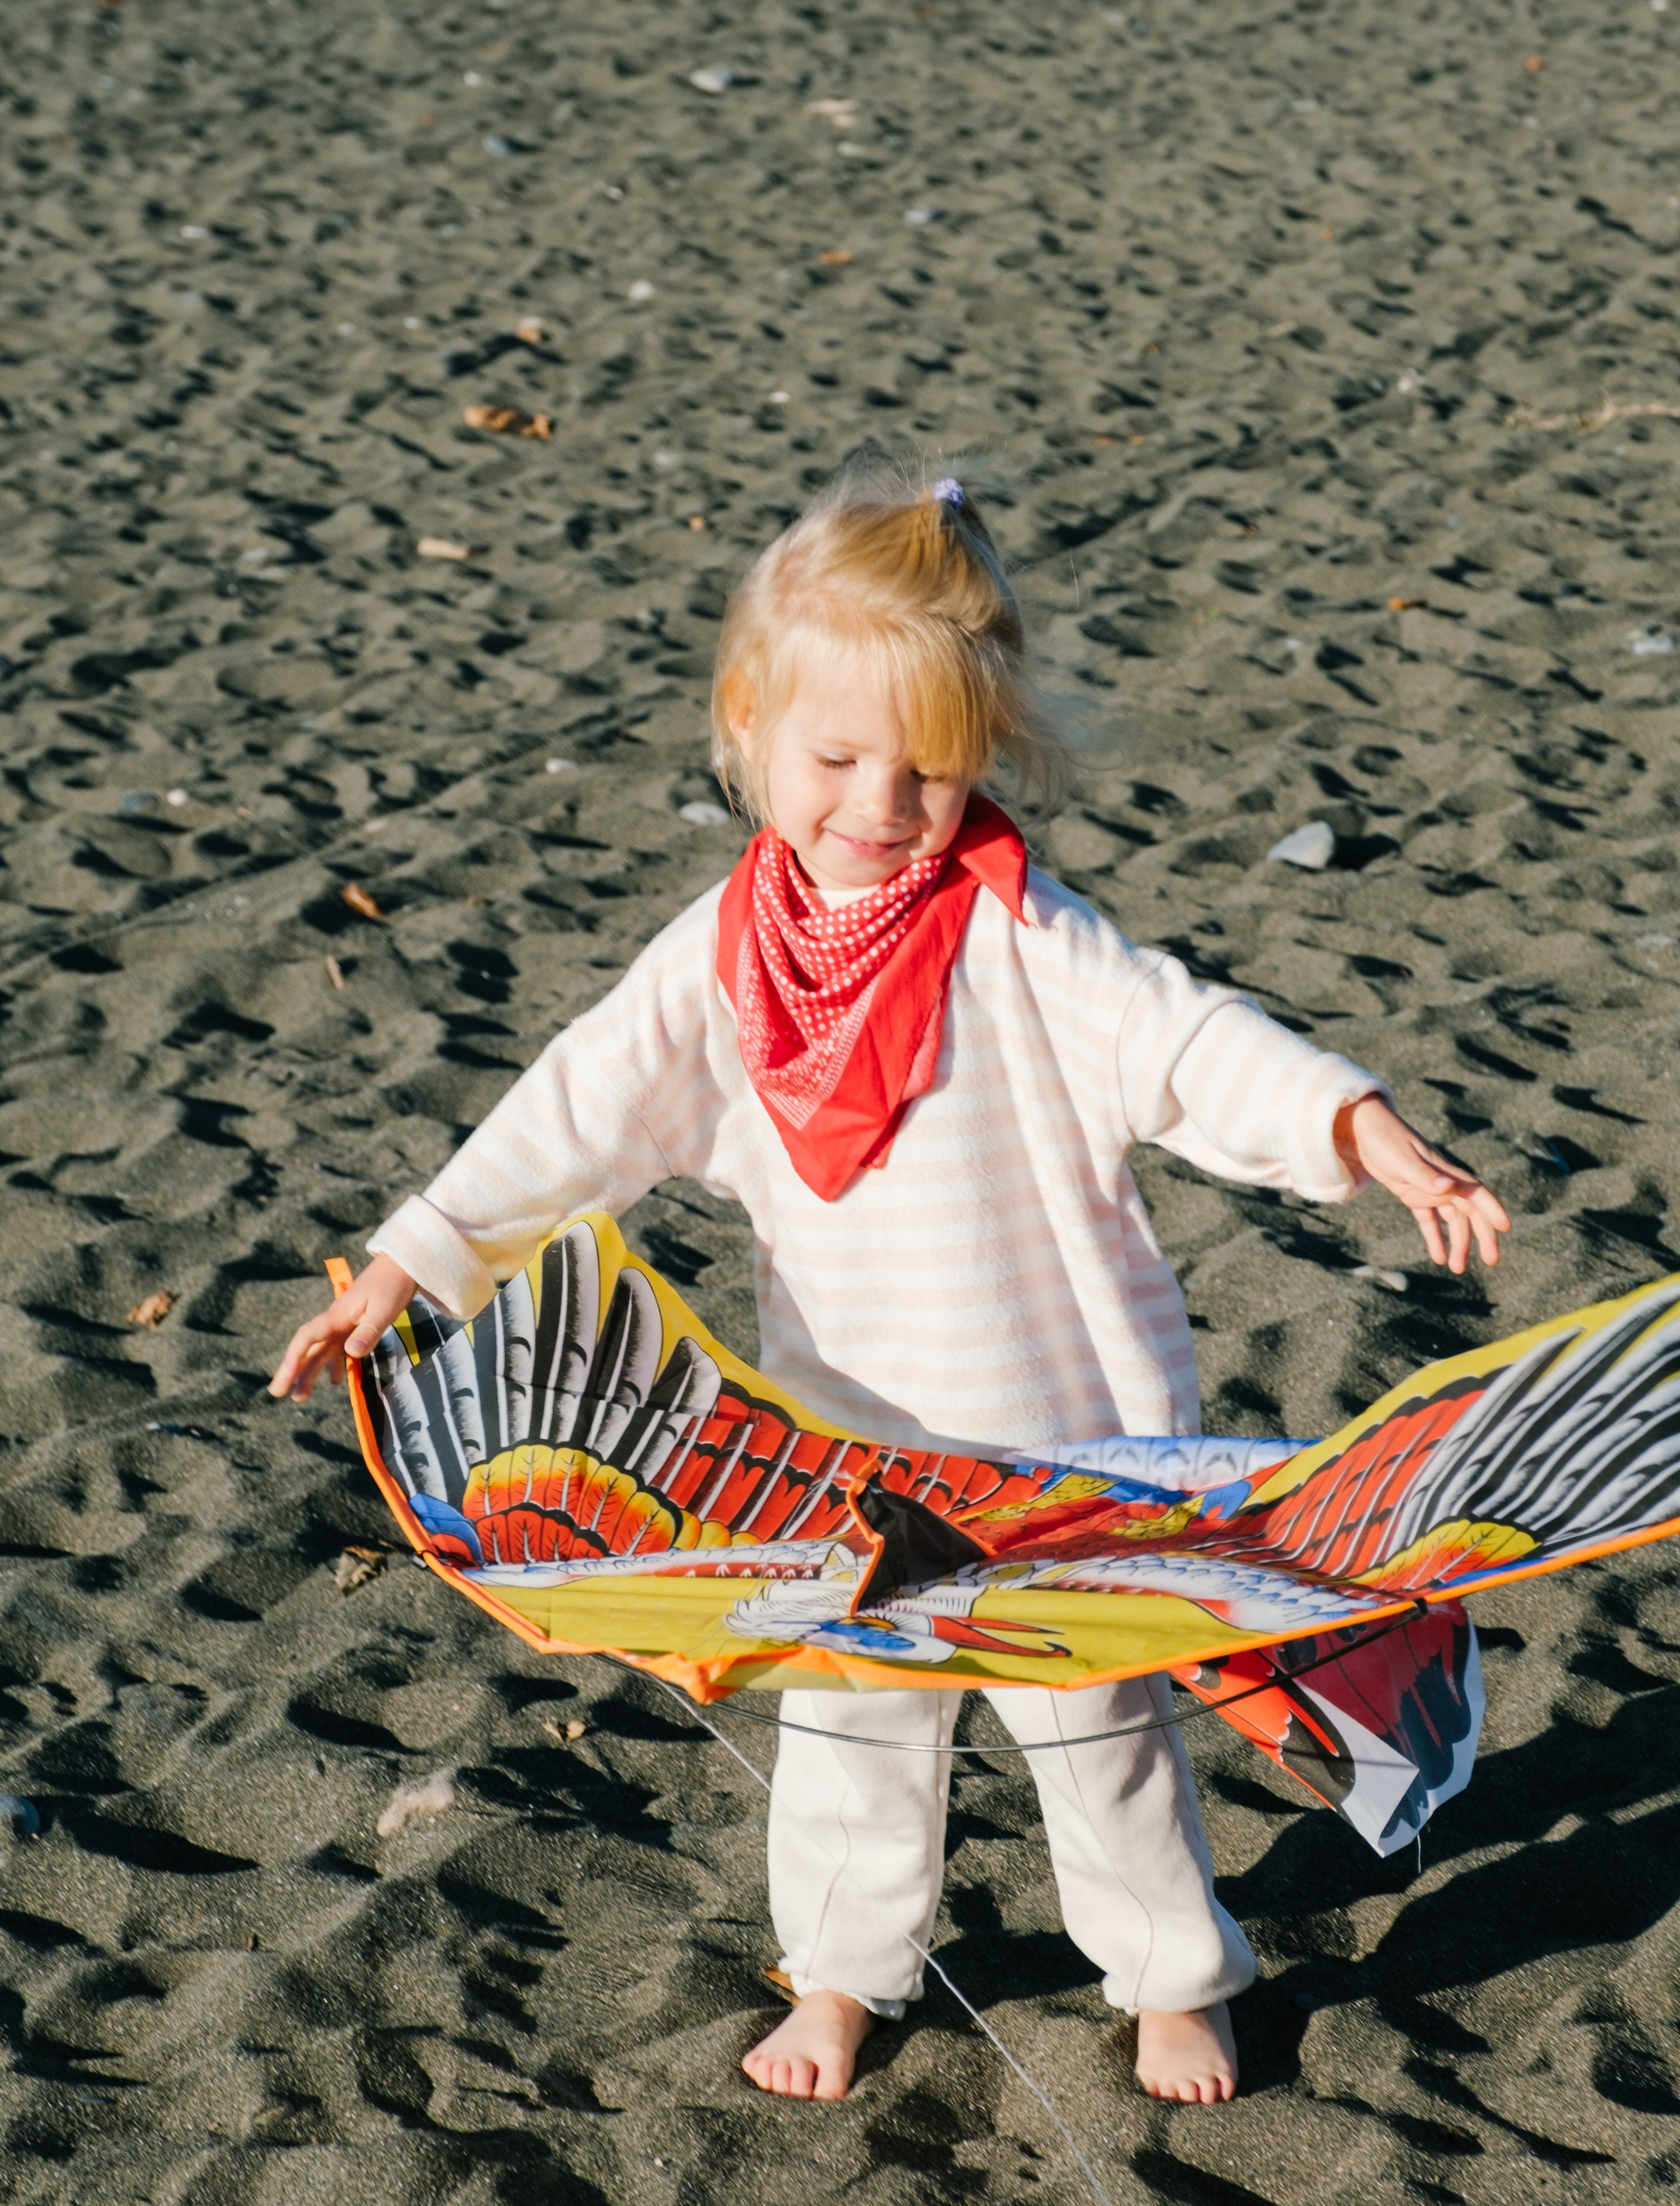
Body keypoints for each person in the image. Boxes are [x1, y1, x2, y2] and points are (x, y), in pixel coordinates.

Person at [271, 453, 1508, 2107]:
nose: (878, 803)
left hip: (1062, 1443)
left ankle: (1172, 1978)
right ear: (748, 726)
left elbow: (1188, 1037)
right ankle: (845, 1974)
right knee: (849, 1729)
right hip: (849, 1445)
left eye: (927, 768)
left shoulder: (1023, 935)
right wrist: (416, 1258)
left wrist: (1358, 1129)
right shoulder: (721, 957)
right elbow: (576, 1110)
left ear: (981, 753)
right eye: (837, 757)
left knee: (1098, 1733)